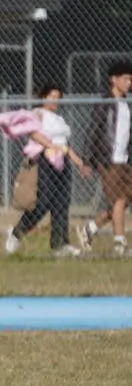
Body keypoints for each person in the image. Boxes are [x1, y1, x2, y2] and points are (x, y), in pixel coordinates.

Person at [0, 85, 91, 256]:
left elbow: (65, 144)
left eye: (58, 97)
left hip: (62, 161)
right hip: (45, 159)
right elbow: (32, 133)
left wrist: (79, 163)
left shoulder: (59, 119)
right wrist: (50, 145)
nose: (55, 100)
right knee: (43, 202)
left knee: (61, 203)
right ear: (43, 97)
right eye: (52, 96)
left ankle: (60, 244)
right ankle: (16, 233)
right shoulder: (38, 113)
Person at [79, 60, 132, 256]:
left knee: (124, 201)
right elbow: (93, 130)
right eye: (126, 79)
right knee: (118, 200)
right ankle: (119, 243)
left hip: (124, 160)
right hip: (108, 160)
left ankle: (91, 228)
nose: (129, 83)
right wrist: (86, 160)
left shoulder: (127, 105)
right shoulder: (105, 104)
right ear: (114, 80)